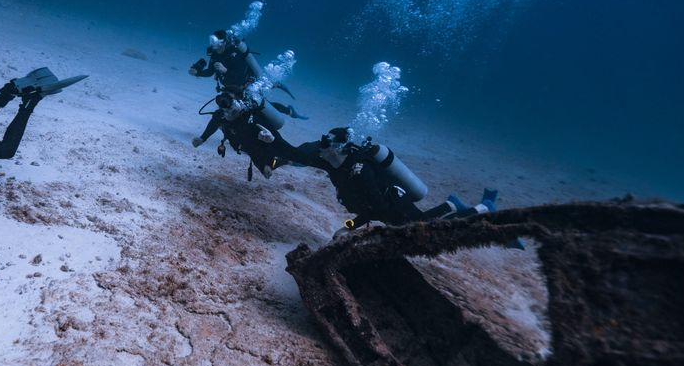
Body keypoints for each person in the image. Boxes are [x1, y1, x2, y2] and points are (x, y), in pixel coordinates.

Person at [295, 127, 499, 229]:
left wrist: (351, 226)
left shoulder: (360, 170)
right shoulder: (338, 167)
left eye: (328, 144)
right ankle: (451, 205)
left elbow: (376, 208)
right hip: (387, 208)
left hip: (395, 204)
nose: (321, 147)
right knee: (419, 224)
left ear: (339, 148)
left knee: (425, 228)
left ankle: (482, 207)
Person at [188, 29, 306, 119]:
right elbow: (210, 72)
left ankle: (288, 111)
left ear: (223, 42)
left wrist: (225, 71)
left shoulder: (234, 55)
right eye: (211, 40)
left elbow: (240, 75)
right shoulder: (214, 55)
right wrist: (198, 73)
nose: (212, 44)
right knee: (228, 109)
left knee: (258, 107)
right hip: (229, 87)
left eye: (214, 41)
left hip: (245, 85)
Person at [192, 91, 302, 180]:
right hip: (247, 145)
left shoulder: (251, 116)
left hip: (262, 143)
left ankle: (293, 160)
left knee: (282, 155)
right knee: (267, 160)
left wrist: (264, 166)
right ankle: (284, 161)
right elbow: (214, 123)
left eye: (230, 100)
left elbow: (266, 145)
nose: (227, 105)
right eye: (222, 100)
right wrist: (202, 138)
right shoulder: (221, 115)